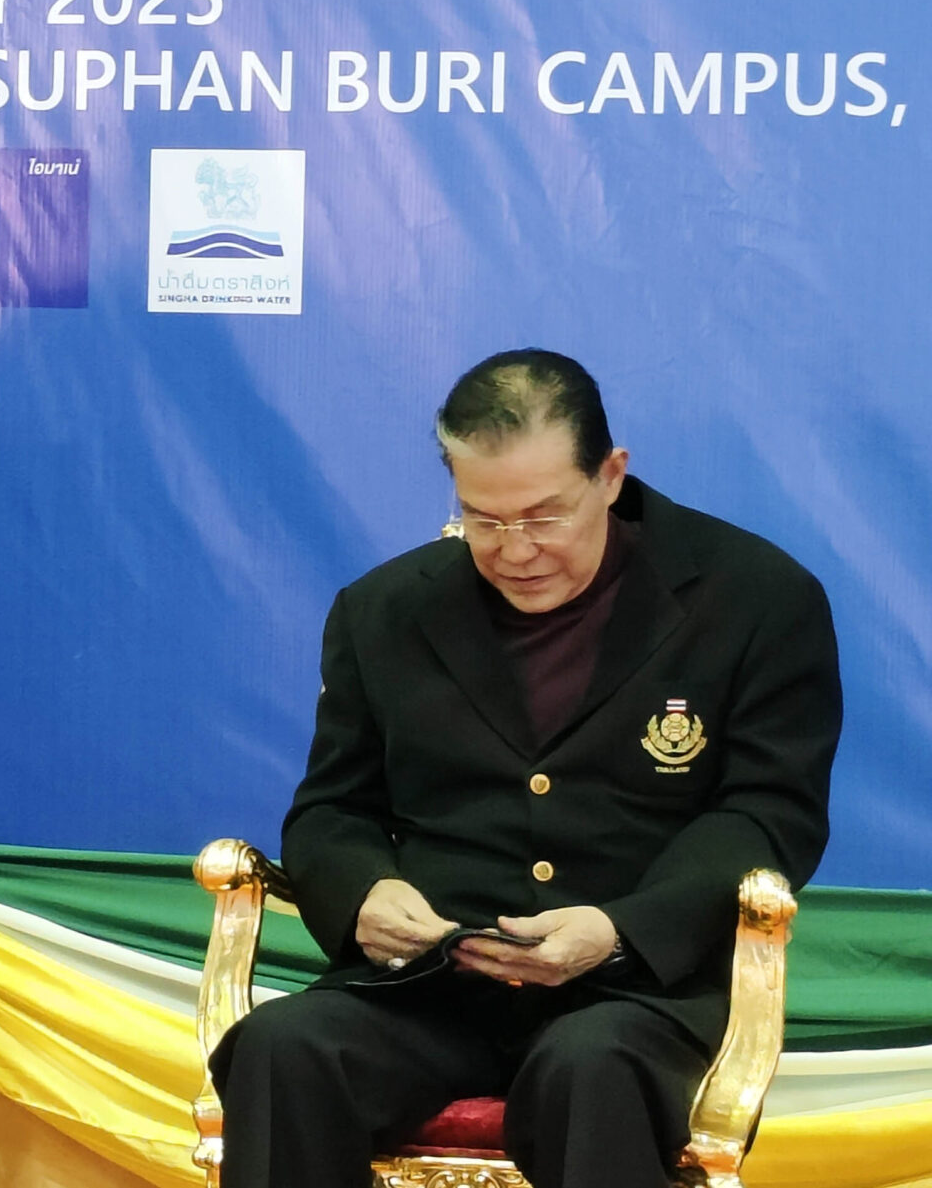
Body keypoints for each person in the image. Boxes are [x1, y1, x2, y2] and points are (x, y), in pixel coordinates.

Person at [211, 349, 843, 1188]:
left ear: (610, 476)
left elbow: (769, 811)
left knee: (589, 1068)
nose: (516, 550)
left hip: (634, 994)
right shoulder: (383, 610)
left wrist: (620, 929)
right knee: (281, 1046)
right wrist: (364, 891)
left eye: (545, 516)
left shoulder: (757, 597)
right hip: (432, 986)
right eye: (485, 519)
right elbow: (333, 808)